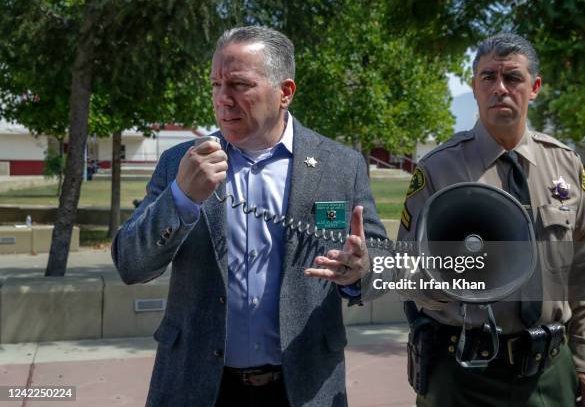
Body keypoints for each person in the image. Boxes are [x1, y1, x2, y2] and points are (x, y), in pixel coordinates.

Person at [112, 26, 385, 407]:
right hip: (197, 386)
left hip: (303, 387)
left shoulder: (341, 165)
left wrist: (361, 270)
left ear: (285, 92)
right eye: (215, 85)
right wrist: (181, 197)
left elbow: (381, 260)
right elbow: (130, 264)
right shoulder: (181, 163)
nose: (222, 99)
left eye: (239, 85)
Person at [397, 33, 585, 406]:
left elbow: (583, 269)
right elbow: (407, 275)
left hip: (549, 370)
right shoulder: (438, 170)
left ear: (535, 87)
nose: (500, 89)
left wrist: (583, 360)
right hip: (461, 372)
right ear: (474, 87)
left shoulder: (566, 165)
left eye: (513, 78)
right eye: (488, 77)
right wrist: (450, 277)